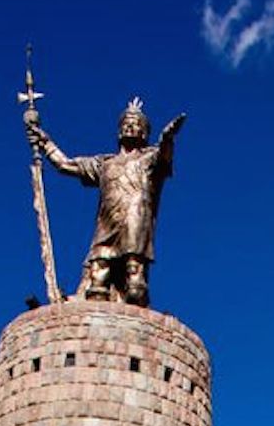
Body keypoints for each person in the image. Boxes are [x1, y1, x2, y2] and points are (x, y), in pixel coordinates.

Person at [25, 97, 185, 306]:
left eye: (136, 124)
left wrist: (168, 137)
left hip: (135, 221)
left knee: (134, 279)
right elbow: (66, 165)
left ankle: (134, 319)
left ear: (144, 133)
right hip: (107, 224)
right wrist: (45, 143)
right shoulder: (104, 164)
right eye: (126, 123)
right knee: (98, 279)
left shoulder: (150, 159)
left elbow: (164, 154)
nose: (130, 127)